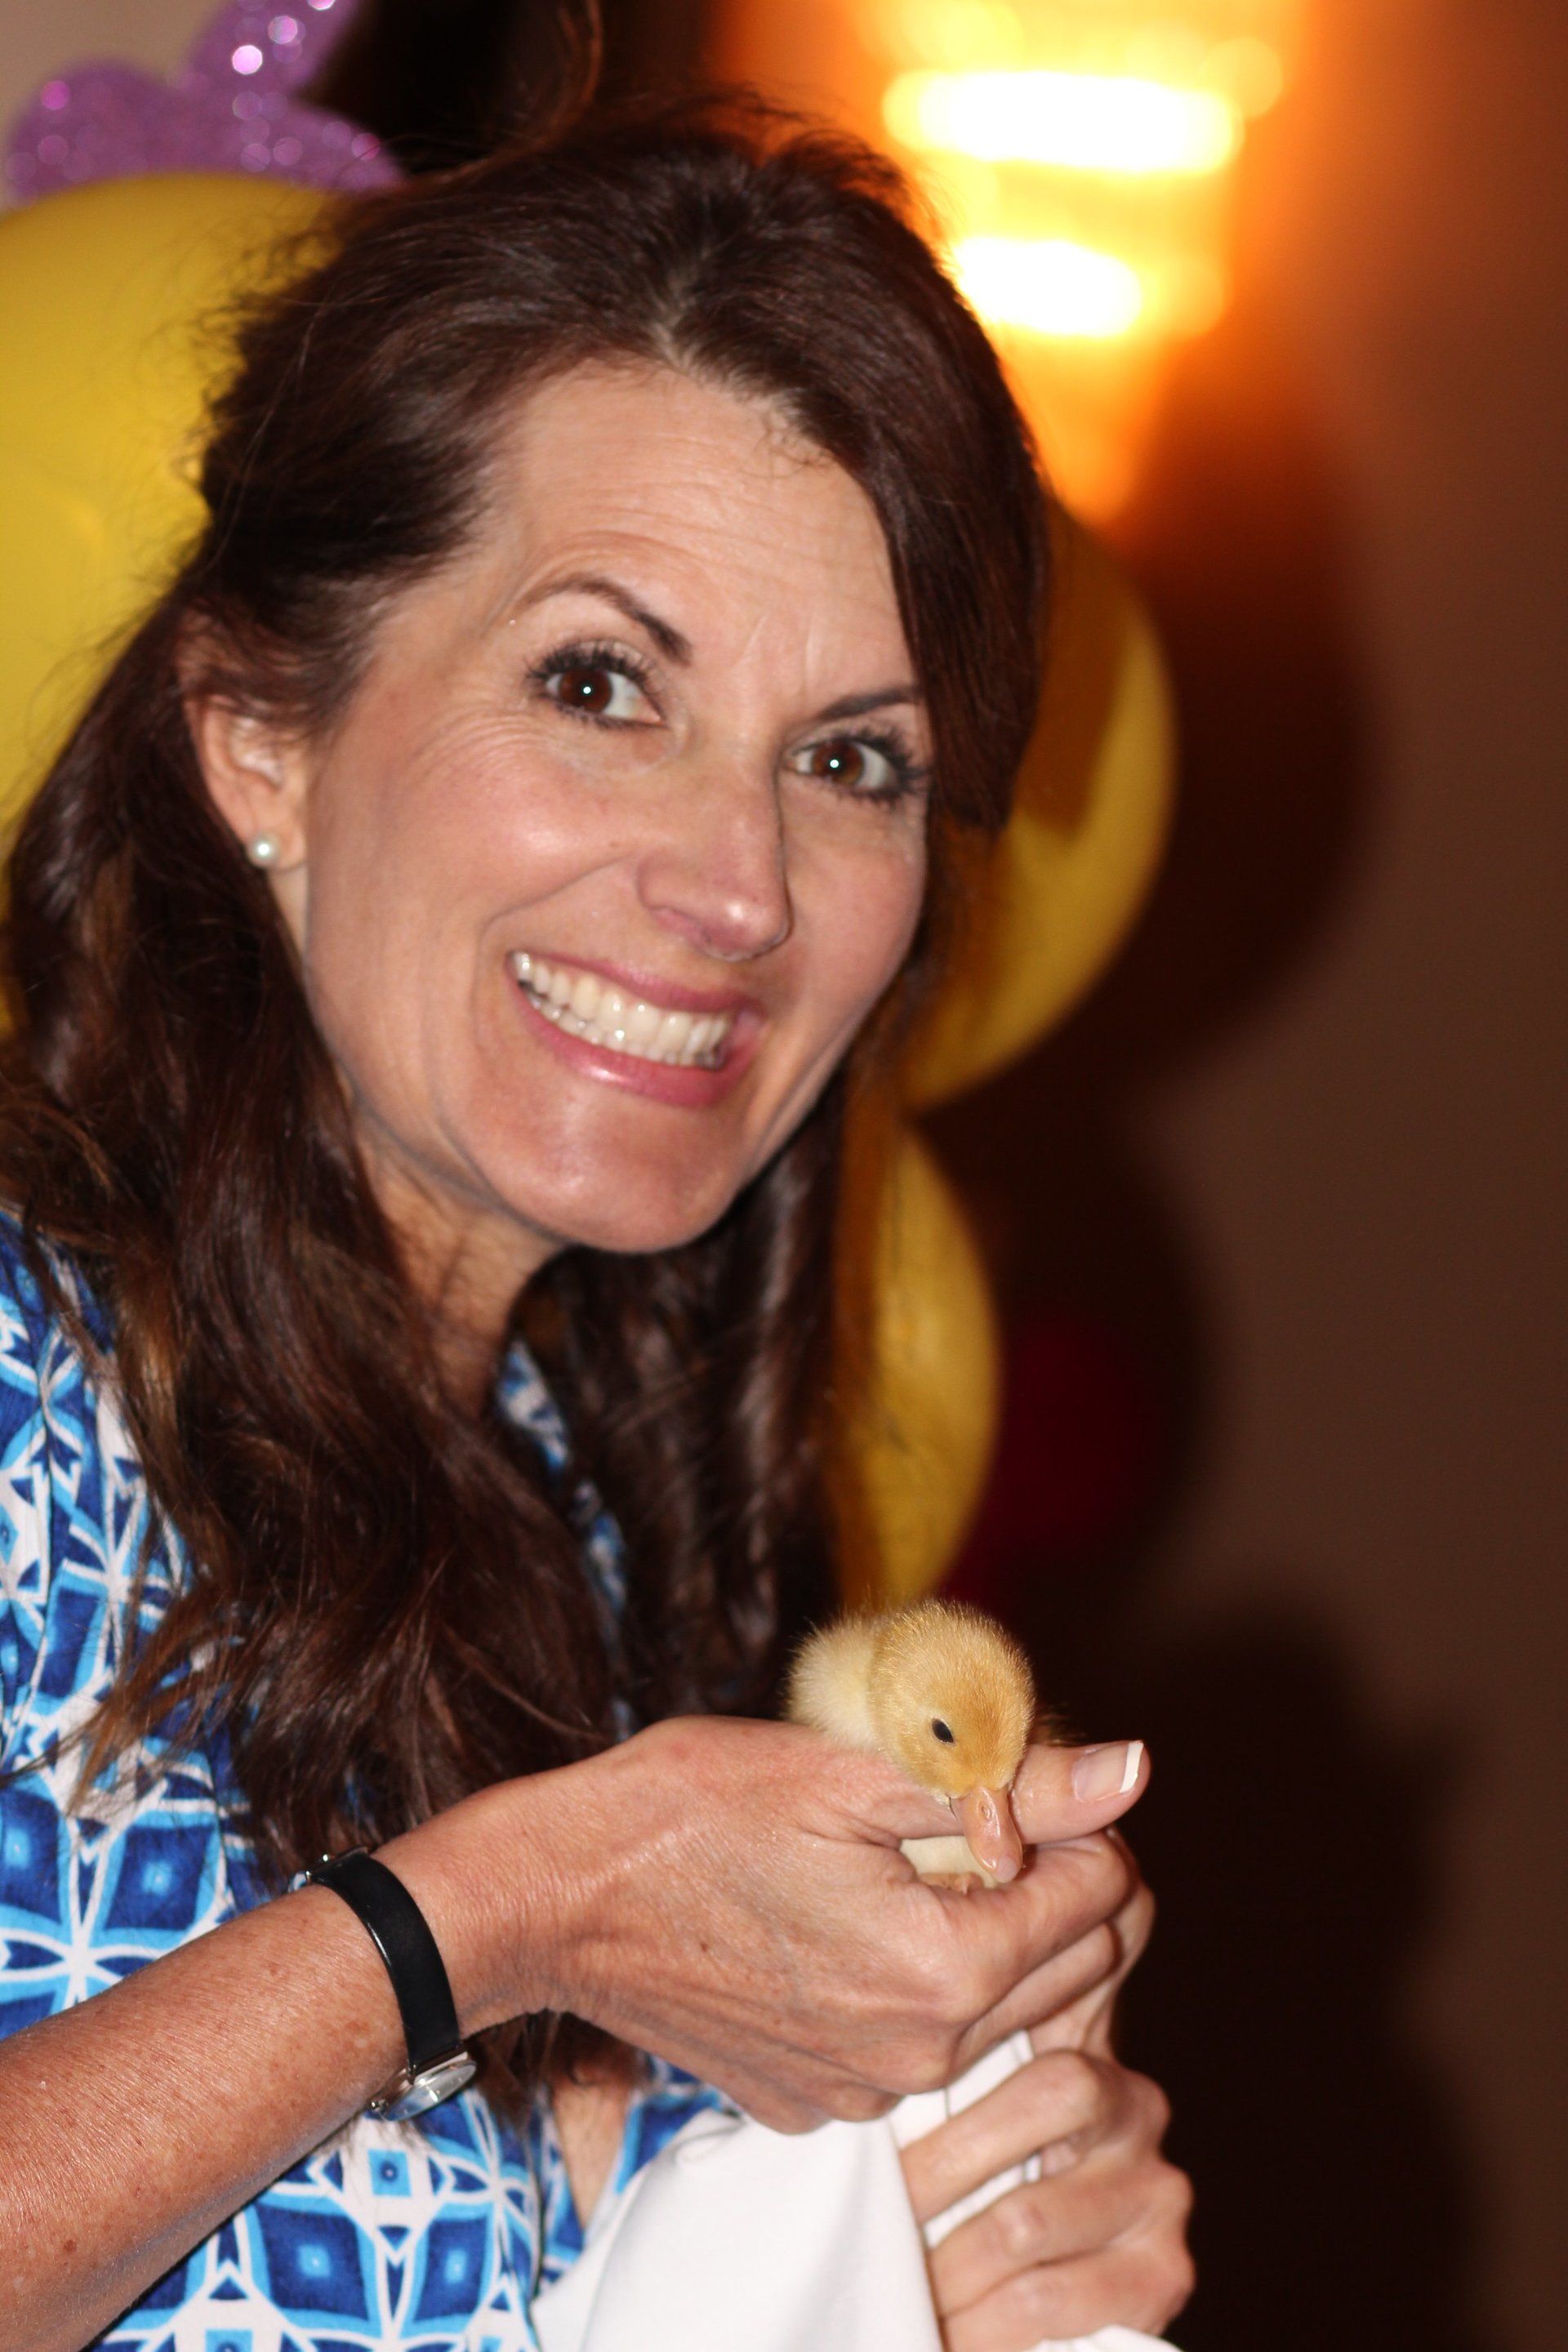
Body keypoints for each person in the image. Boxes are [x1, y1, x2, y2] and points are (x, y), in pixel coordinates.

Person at [0, 96, 1192, 2352]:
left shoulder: (583, 1515)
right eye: (596, 684)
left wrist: (938, 2212)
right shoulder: (17, 1370)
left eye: (853, 759)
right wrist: (513, 1909)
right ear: (257, 729)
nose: (739, 887)